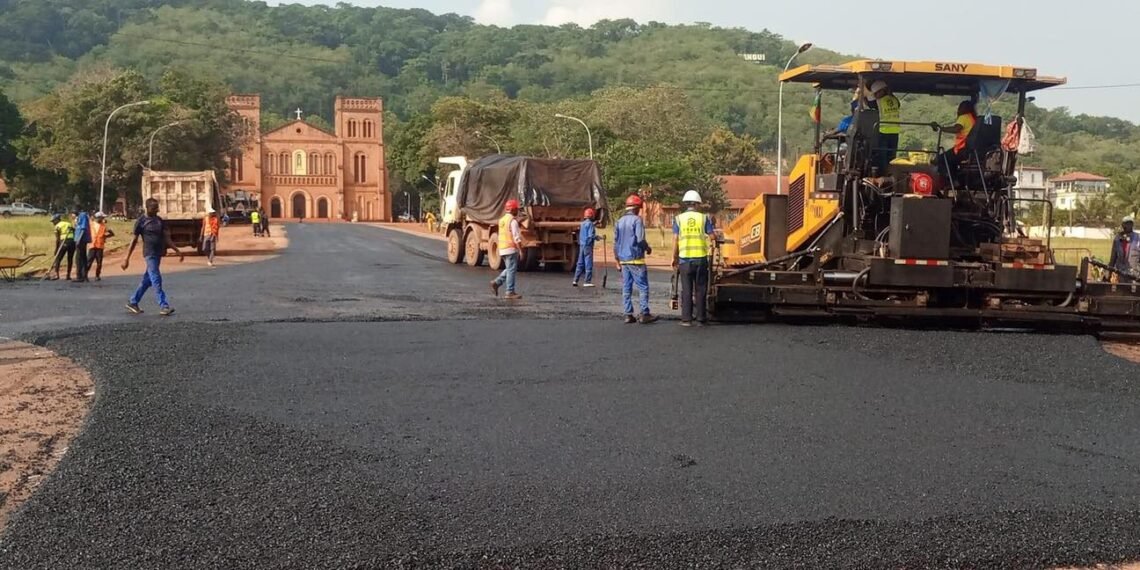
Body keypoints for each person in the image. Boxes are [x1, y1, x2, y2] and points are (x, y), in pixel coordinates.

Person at [122, 197, 184, 316]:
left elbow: (167, 238)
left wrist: (176, 250)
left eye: (157, 208)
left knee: (148, 280)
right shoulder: (141, 221)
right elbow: (134, 240)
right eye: (154, 208)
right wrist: (126, 258)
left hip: (158, 253)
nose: (157, 210)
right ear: (147, 208)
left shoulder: (160, 221)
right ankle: (164, 305)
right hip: (149, 254)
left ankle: (133, 301)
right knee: (156, 279)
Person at [672, 190, 716, 326]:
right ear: (697, 204)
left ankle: (686, 319)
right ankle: (701, 318)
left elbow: (676, 240)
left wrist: (674, 258)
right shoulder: (704, 218)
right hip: (701, 259)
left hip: (684, 260)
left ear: (686, 204)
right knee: (701, 289)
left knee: (687, 289)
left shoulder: (678, 219)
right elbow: (712, 236)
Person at [614, 194, 658, 324]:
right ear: (637, 208)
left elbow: (615, 243)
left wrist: (617, 260)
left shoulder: (619, 221)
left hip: (624, 260)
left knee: (626, 287)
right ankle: (645, 313)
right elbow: (640, 239)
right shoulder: (637, 220)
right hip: (636, 259)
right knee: (643, 286)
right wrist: (647, 248)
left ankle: (628, 314)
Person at [933, 100, 978, 179]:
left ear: (963, 108)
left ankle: (949, 179)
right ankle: (955, 179)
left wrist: (942, 129)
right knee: (951, 160)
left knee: (941, 159)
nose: (958, 110)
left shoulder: (963, 117)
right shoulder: (974, 119)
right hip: (972, 150)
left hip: (962, 149)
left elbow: (956, 129)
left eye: (960, 108)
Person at [490, 199, 524, 300]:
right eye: (516, 209)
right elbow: (516, 237)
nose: (517, 211)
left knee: (509, 269)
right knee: (511, 270)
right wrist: (521, 250)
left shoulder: (502, 220)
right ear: (513, 210)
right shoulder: (513, 221)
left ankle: (496, 282)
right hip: (511, 248)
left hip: (503, 248)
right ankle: (510, 291)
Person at [867, 80, 901, 173]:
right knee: (891, 156)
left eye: (877, 93)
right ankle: (890, 172)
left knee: (882, 156)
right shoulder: (895, 100)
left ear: (883, 91)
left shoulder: (879, 102)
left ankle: (883, 173)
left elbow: (870, 104)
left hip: (884, 132)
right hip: (895, 132)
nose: (876, 95)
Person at [572, 207, 600, 288]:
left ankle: (575, 280)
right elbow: (591, 235)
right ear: (592, 216)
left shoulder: (582, 224)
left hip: (582, 245)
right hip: (588, 245)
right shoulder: (590, 224)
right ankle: (587, 281)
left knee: (580, 263)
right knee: (588, 263)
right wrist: (598, 237)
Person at [1109, 215, 1140, 282]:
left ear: (1132, 225)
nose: (1128, 226)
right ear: (1122, 225)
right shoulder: (1117, 239)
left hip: (1134, 274)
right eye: (1126, 223)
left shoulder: (1138, 238)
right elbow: (1112, 259)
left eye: (1130, 223)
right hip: (1120, 273)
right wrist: (1108, 274)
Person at [49, 213, 76, 281]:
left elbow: (57, 239)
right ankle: (68, 275)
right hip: (72, 242)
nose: (53, 223)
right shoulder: (68, 223)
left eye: (53, 221)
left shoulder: (57, 226)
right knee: (70, 259)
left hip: (64, 242)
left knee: (58, 258)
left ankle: (56, 275)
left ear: (57, 220)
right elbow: (74, 230)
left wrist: (56, 249)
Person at [89, 211, 115, 281]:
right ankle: (85, 274)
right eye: (102, 217)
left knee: (99, 262)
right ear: (98, 217)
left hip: (100, 246)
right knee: (89, 261)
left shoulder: (104, 226)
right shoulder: (91, 225)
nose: (103, 218)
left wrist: (105, 236)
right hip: (92, 245)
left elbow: (112, 233)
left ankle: (97, 275)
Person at [73, 207, 91, 282]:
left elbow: (83, 228)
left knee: (79, 258)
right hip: (79, 239)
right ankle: (84, 276)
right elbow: (78, 228)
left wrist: (79, 240)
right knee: (82, 257)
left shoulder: (82, 215)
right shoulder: (78, 218)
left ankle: (79, 276)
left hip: (81, 240)